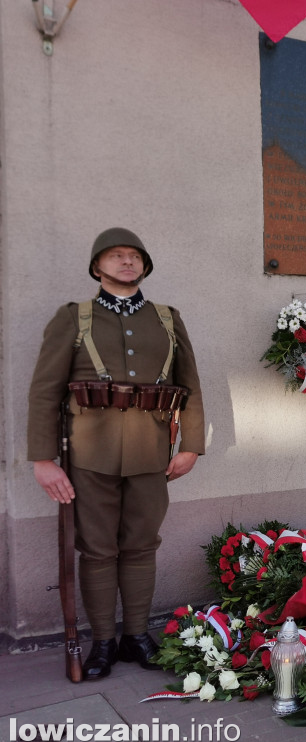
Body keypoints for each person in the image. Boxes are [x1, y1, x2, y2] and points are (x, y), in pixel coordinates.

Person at [27, 227, 205, 680]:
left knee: (142, 546)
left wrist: (192, 447)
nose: (127, 262)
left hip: (152, 452)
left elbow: (191, 386)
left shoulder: (167, 318)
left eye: (134, 256)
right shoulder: (73, 318)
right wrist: (43, 459)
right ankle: (103, 641)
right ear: (97, 266)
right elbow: (45, 391)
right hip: (90, 454)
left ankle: (137, 636)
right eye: (115, 256)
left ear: (144, 266)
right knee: (98, 550)